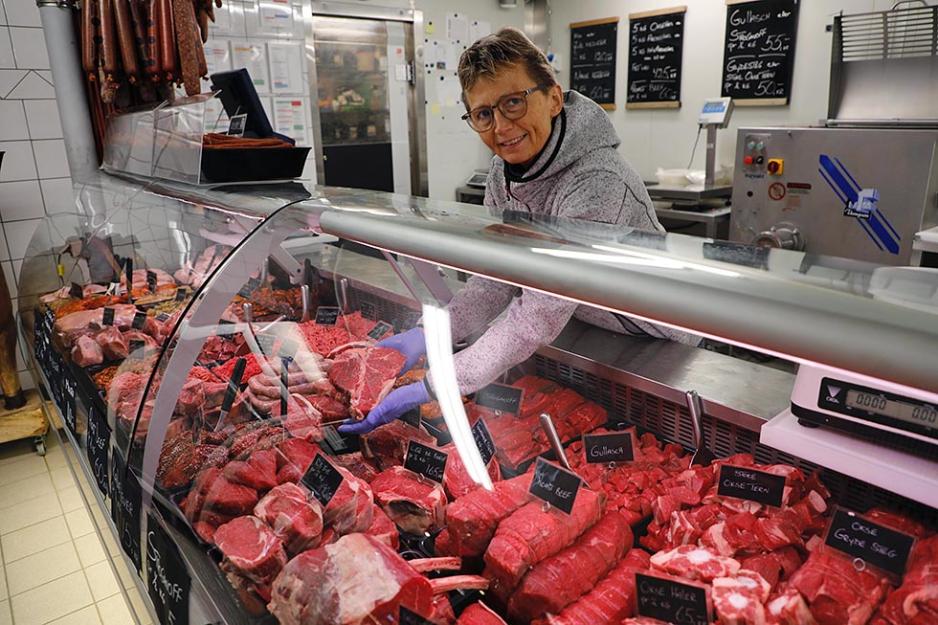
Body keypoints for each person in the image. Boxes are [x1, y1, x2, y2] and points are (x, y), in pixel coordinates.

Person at [340, 28, 691, 435]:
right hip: (588, 318)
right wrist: (430, 333)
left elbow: (537, 316)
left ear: (553, 98)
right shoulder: (501, 173)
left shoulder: (598, 181)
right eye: (484, 114)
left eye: (513, 102)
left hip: (656, 338)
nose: (502, 127)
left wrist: (437, 383)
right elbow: (497, 280)